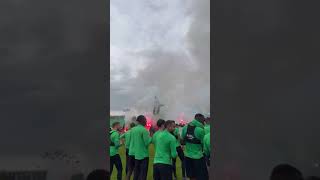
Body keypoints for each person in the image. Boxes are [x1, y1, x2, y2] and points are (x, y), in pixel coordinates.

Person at [181, 113, 208, 180]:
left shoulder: (185, 127)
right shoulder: (200, 130)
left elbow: (182, 141)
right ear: (199, 119)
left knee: (191, 176)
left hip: (187, 156)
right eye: (203, 120)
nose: (203, 122)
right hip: (198, 157)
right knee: (201, 177)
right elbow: (203, 144)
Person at [128, 115, 151, 180]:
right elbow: (147, 143)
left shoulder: (132, 129)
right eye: (145, 120)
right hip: (143, 155)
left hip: (135, 154)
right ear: (142, 121)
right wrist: (151, 138)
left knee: (136, 173)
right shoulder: (144, 130)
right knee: (143, 174)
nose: (146, 121)